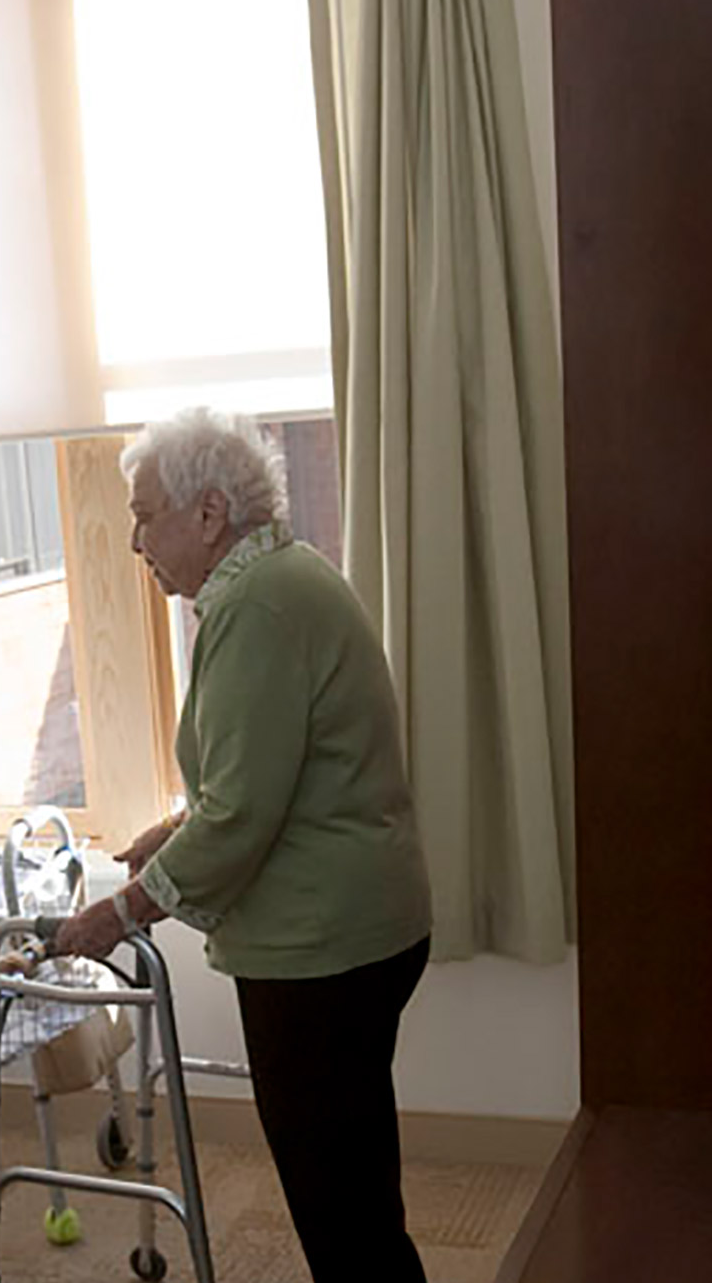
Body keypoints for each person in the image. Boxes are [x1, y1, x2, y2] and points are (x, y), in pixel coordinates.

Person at [48, 406, 434, 1283]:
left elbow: (243, 816)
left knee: (338, 1204)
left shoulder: (257, 606)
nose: (136, 541)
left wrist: (118, 915)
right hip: (360, 928)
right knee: (359, 1186)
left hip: (321, 951)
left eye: (145, 516)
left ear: (210, 513)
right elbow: (274, 774)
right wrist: (175, 829)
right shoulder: (282, 583)